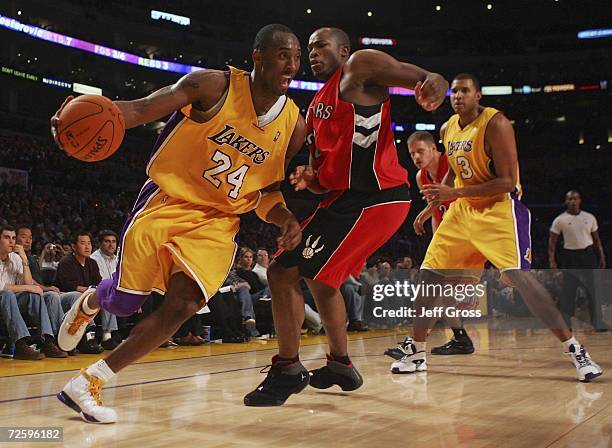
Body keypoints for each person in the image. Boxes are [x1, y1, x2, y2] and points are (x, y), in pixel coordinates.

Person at [52, 24, 305, 423]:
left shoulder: (294, 126)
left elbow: (266, 192)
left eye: (295, 57)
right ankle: (91, 301)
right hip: (169, 201)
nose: (291, 65)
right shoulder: (212, 86)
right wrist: (76, 115)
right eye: (282, 55)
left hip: (219, 222)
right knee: (123, 304)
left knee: (185, 304)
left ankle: (88, 382)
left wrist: (285, 217)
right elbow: (140, 107)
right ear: (257, 56)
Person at [244, 27, 448, 406]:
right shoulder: (315, 106)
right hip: (344, 201)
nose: (313, 54)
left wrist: (433, 81)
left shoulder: (359, 68)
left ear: (343, 49)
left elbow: (418, 76)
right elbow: (325, 181)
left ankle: (288, 368)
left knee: (283, 272)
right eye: (310, 49)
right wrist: (310, 178)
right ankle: (340, 365)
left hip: (377, 198)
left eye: (320, 46)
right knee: (321, 282)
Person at [389, 73, 602, 383]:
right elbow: (453, 174)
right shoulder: (448, 128)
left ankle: (575, 350)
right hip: (461, 213)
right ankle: (417, 353)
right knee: (429, 278)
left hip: (498, 208)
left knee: (520, 279)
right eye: (454, 91)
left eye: (465, 91)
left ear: (479, 96)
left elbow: (506, 181)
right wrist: (433, 205)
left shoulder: (496, 123)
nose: (458, 96)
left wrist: (455, 194)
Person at [392, 131, 474, 356]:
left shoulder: (451, 161)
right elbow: (437, 212)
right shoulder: (421, 177)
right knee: (439, 289)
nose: (416, 157)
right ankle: (460, 338)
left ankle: (416, 344)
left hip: (472, 231)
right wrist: (436, 244)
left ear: (433, 149)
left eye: (420, 151)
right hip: (451, 235)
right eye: (412, 153)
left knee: (436, 289)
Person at [549, 190, 608, 331]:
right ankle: (566, 324)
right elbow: (552, 244)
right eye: (570, 199)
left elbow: (597, 240)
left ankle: (598, 323)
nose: (573, 201)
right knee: (568, 291)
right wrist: (552, 262)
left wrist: (602, 257)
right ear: (566, 201)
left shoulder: (590, 217)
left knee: (593, 290)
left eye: (575, 198)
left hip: (587, 255)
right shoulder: (559, 220)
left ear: (580, 200)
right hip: (570, 257)